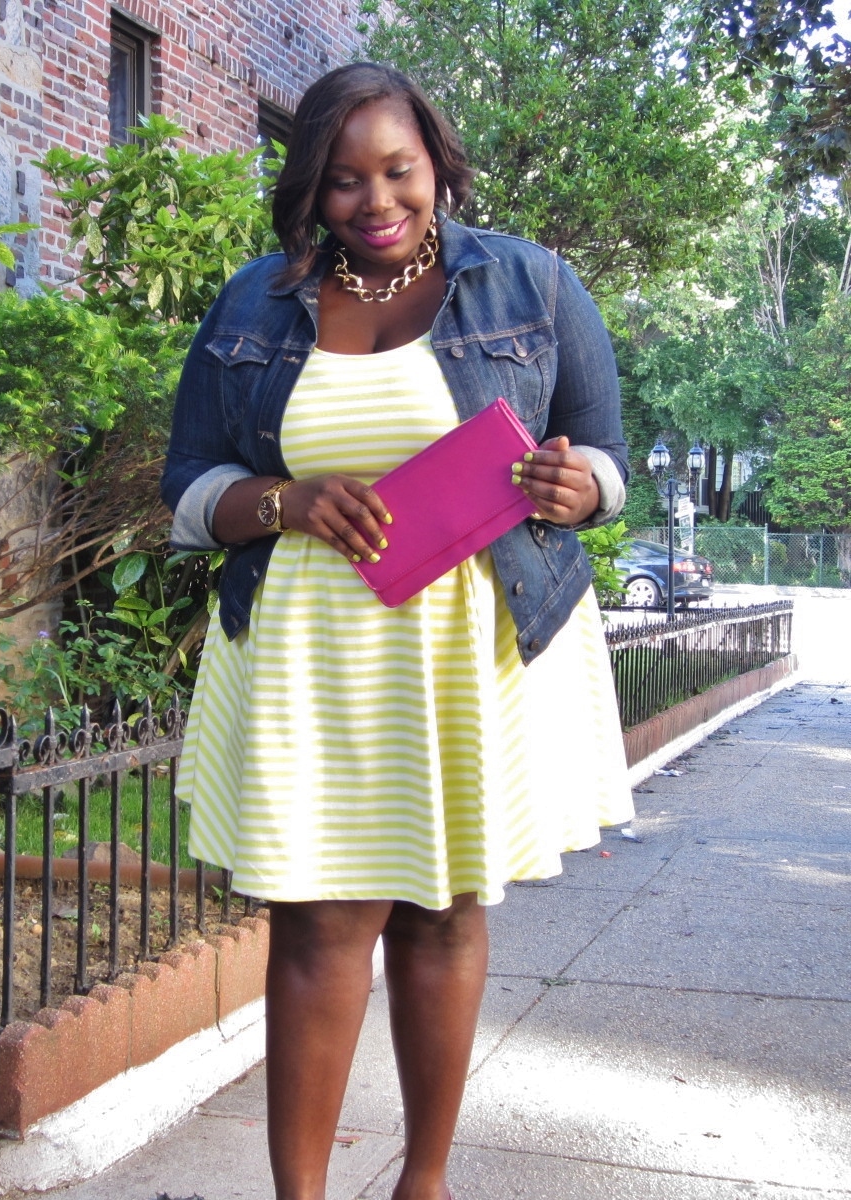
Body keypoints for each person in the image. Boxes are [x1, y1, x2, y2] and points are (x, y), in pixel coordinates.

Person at [160, 62, 633, 1200]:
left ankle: (425, 1182)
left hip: (468, 647)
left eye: (398, 170)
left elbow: (605, 452)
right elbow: (188, 487)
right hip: (313, 650)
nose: (376, 200)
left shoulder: (535, 283)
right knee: (320, 924)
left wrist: (587, 491)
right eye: (343, 180)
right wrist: (286, 499)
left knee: (441, 909)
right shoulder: (252, 304)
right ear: (311, 190)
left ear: (436, 163)